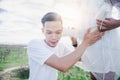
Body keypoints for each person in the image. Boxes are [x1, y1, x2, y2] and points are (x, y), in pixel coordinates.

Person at [27, 12, 104, 80]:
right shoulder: (34, 44)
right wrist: (86, 42)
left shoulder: (61, 46)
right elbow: (63, 66)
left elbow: (79, 58)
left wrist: (75, 43)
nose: (54, 37)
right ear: (43, 31)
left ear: (62, 31)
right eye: (49, 32)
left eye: (58, 32)